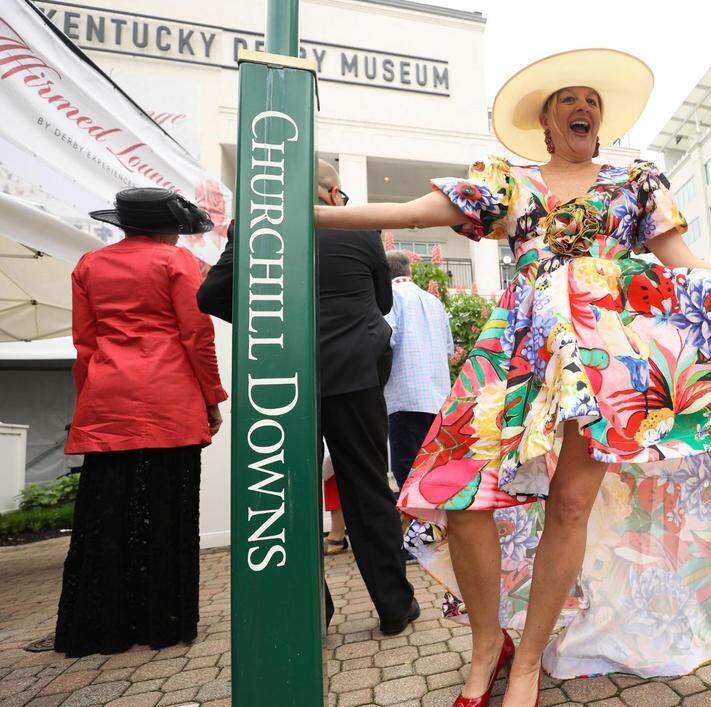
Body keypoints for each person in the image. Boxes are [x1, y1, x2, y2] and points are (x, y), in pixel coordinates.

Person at [315, 49, 711, 707]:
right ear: (546, 121)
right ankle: (488, 646)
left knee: (572, 503)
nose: (583, 108)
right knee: (458, 495)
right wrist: (311, 215)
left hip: (604, 353)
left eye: (592, 101)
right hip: (518, 347)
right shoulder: (508, 181)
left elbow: (688, 268)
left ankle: (528, 663)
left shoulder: (636, 183)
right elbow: (410, 210)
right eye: (568, 100)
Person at [197, 160, 418, 634]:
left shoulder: (254, 229)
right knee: (368, 488)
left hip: (285, 379)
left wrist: (269, 325)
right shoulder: (359, 228)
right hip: (355, 373)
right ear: (332, 193)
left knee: (291, 493)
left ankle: (312, 610)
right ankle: (395, 606)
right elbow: (382, 301)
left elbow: (210, 296)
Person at [51, 189, 226, 658]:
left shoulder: (90, 265)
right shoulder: (176, 262)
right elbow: (196, 334)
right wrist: (212, 397)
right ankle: (161, 621)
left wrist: (90, 401)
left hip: (107, 396)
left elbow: (85, 343)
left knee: (108, 511)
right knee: (167, 505)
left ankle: (105, 621)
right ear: (168, 228)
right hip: (168, 397)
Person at [384, 251, 454, 488]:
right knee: (433, 473)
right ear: (409, 271)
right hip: (438, 399)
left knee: (408, 474)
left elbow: (386, 340)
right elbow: (448, 350)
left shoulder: (389, 297)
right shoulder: (434, 302)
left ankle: (413, 514)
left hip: (404, 398)